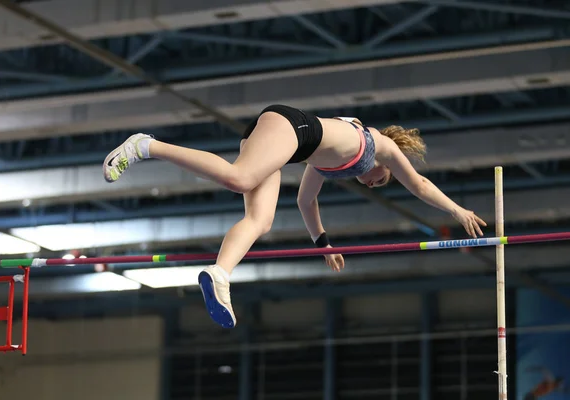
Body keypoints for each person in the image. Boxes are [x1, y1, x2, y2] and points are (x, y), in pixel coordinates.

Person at [103, 104, 487, 329]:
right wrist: (458, 210)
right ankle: (147, 146)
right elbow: (418, 184)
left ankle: (219, 274)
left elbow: (306, 203)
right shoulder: (381, 147)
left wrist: (323, 243)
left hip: (290, 144)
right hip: (293, 127)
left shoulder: (326, 167)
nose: (374, 182)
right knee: (240, 178)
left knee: (261, 220)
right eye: (379, 181)